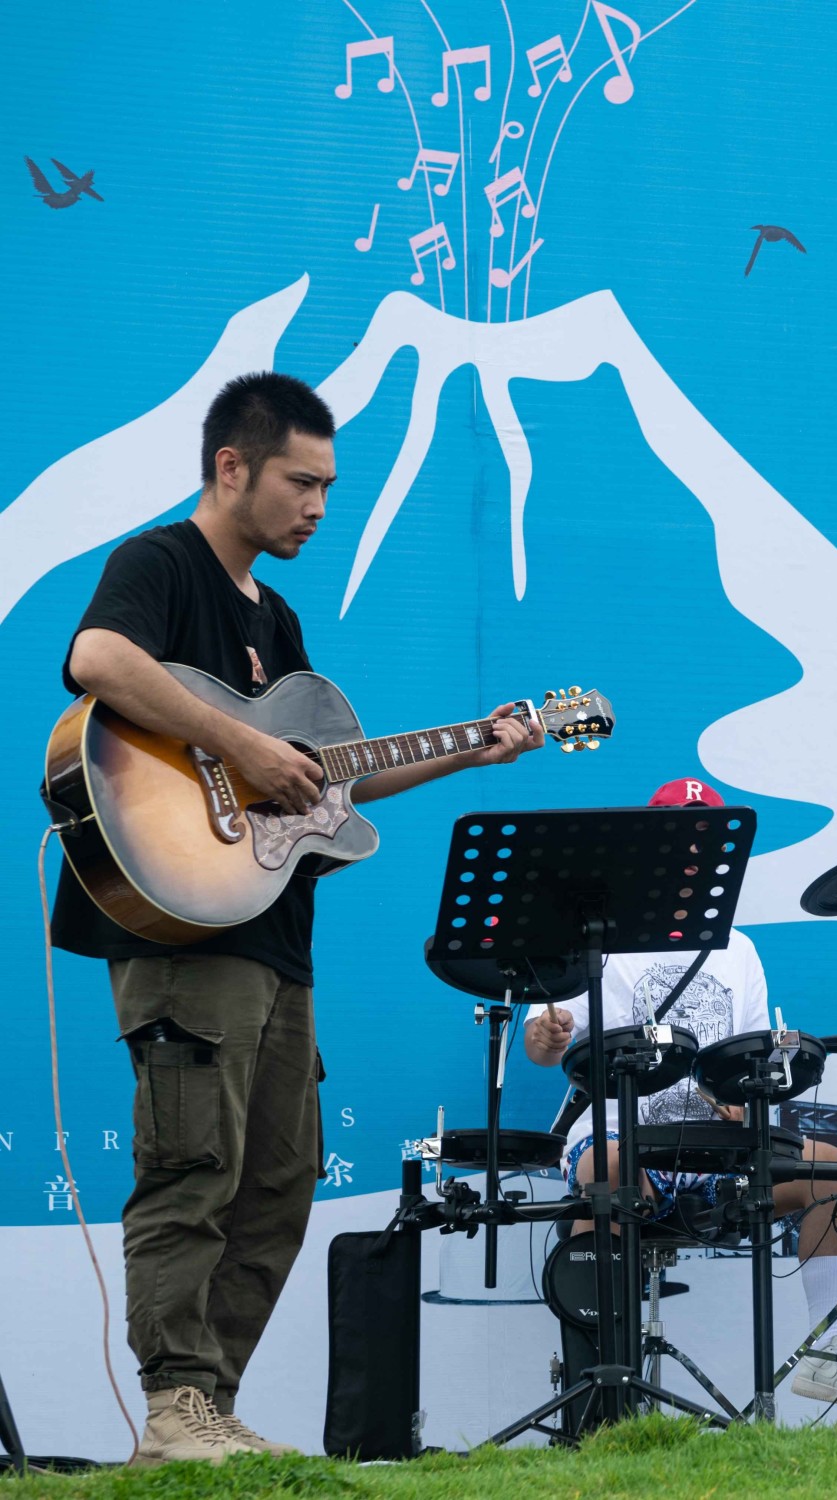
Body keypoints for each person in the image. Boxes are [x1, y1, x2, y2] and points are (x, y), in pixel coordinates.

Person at [51, 372, 544, 1465]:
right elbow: (98, 663)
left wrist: (475, 744)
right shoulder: (159, 564)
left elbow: (318, 786)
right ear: (232, 467)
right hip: (182, 930)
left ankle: (205, 1412)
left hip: (276, 939)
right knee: (195, 1166)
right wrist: (236, 744)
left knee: (276, 1179)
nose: (320, 505)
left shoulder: (277, 619)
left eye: (329, 486)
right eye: (301, 481)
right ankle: (175, 1404)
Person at [524, 777, 837, 1410]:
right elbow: (542, 1047)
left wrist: (749, 1096)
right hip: (618, 1141)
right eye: (679, 840)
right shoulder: (598, 944)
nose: (694, 854)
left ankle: (832, 1356)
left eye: (708, 841)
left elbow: (744, 1063)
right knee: (606, 1171)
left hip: (711, 1157)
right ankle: (599, 1384)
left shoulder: (739, 950)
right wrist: (548, 1032)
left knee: (836, 1172)